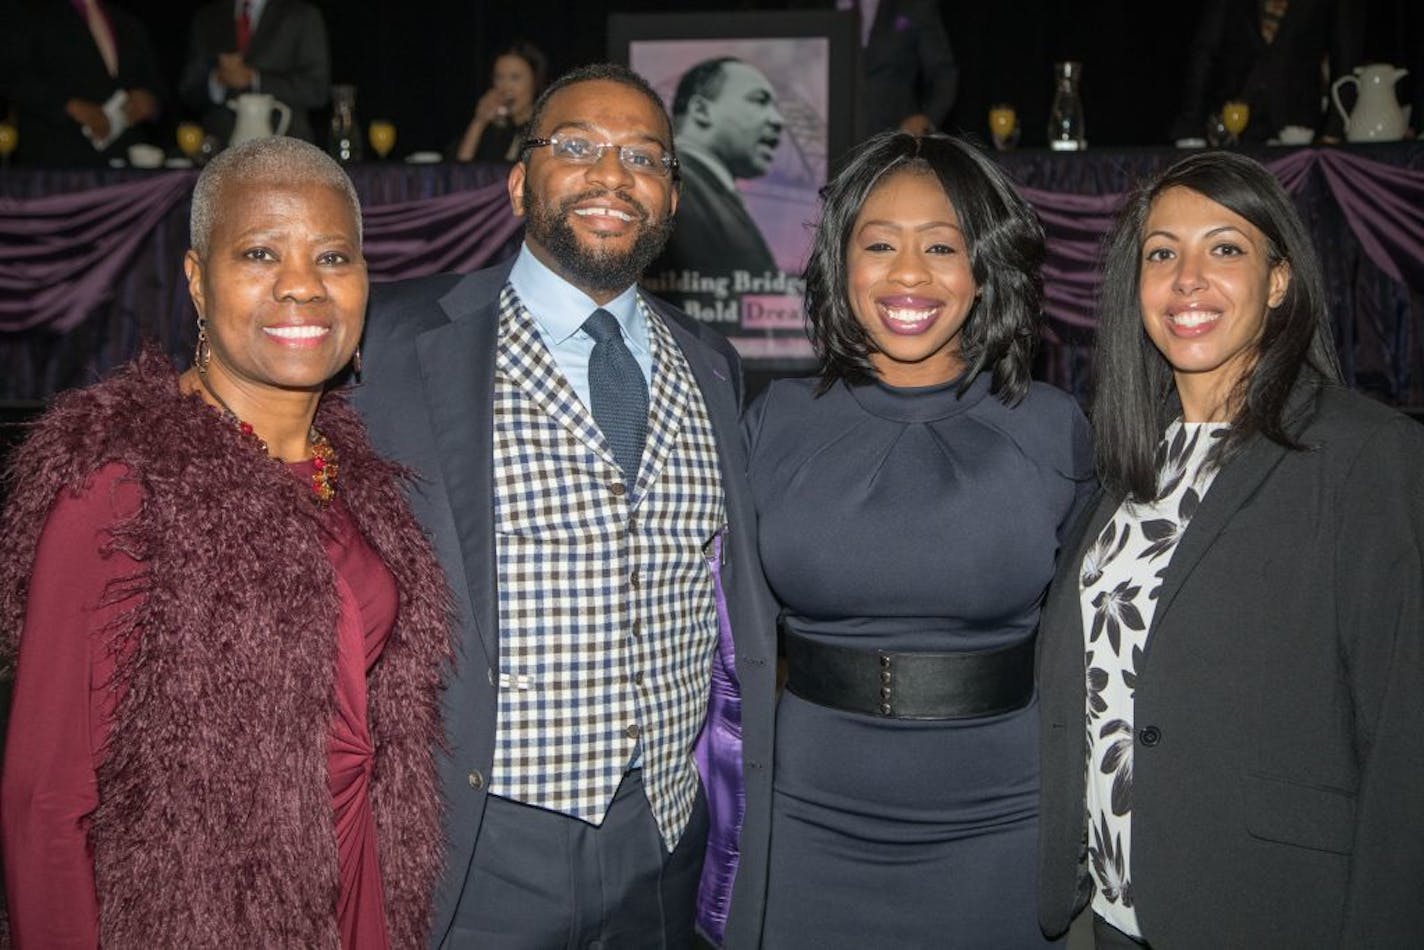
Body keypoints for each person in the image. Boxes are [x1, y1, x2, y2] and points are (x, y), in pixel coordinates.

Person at [352, 63, 778, 948]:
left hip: (664, 842)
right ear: (517, 181)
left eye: (643, 158)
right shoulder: (394, 344)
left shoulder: (714, 364)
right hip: (480, 845)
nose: (612, 176)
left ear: (670, 196)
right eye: (577, 147)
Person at [0, 137, 451, 947]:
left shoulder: (351, 474)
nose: (302, 285)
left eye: (333, 256)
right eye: (259, 252)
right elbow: (44, 804)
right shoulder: (123, 484)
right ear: (198, 281)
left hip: (354, 908)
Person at [1037, 151, 1424, 947]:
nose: (1187, 279)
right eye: (1161, 253)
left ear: (1278, 280)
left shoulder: (1366, 453)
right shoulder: (1130, 461)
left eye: (1225, 248)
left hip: (1270, 910)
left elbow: (1405, 738)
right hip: (1112, 912)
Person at [746, 131, 1093, 947]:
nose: (908, 274)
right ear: (842, 263)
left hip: (1003, 821)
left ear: (986, 267)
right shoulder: (773, 424)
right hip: (803, 822)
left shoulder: (1053, 429)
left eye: (942, 245)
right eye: (879, 245)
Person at [650, 56, 784, 282]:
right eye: (760, 101)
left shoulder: (701, 188)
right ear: (701, 110)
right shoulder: (675, 189)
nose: (778, 120)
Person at [1167, 0, 1355, 144]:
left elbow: (1344, 58)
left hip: (1299, 128)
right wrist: (1191, 125)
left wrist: (1334, 130)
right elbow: (1205, 53)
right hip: (1233, 123)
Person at [5, 0, 162, 167]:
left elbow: (156, 87)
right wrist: (68, 106)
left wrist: (150, 102)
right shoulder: (27, 10)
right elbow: (12, 76)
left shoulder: (128, 21)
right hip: (57, 162)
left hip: (126, 164)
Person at [179, 0, 330, 144]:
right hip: (221, 149)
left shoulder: (302, 15)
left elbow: (317, 90)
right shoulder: (208, 15)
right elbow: (189, 90)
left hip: (285, 147)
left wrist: (254, 79)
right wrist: (217, 80)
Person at [839, 0, 958, 136]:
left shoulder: (911, 5)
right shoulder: (815, 6)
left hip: (895, 136)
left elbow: (943, 72)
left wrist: (927, 118)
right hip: (825, 141)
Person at [453, 42, 547, 163]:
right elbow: (460, 171)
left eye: (515, 78)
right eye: (499, 77)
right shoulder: (493, 130)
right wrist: (479, 121)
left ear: (535, 81)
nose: (506, 88)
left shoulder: (544, 128)